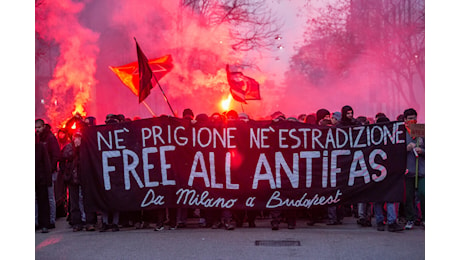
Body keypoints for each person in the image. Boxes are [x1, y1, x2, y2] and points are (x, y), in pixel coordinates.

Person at [373, 116, 404, 232]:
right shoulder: (392, 138)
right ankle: (391, 222)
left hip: (377, 173)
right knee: (389, 197)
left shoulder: (372, 138)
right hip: (387, 172)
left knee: (379, 198)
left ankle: (381, 221)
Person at [36, 119, 60, 229]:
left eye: (39, 127)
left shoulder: (50, 138)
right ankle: (38, 220)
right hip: (39, 174)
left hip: (49, 172)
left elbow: (55, 155)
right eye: (35, 128)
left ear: (43, 126)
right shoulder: (37, 140)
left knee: (50, 197)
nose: (37, 130)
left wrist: (50, 170)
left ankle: (51, 220)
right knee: (39, 198)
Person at [403, 108, 425, 230]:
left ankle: (425, 218)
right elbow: (395, 152)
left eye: (414, 117)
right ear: (405, 119)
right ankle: (410, 218)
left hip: (421, 170)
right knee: (408, 197)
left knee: (423, 194)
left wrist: (422, 150)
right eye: (410, 118)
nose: (413, 120)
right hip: (408, 170)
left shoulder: (422, 130)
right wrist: (405, 149)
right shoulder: (401, 132)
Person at [61, 130, 86, 232]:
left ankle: (87, 220)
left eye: (78, 137)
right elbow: (64, 158)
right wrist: (65, 174)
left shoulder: (85, 147)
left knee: (84, 199)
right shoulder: (68, 148)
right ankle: (76, 222)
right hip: (72, 178)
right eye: (75, 137)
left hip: (83, 177)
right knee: (74, 201)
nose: (76, 139)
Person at [36, 133, 52, 233]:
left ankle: (44, 224)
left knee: (43, 202)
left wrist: (48, 179)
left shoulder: (41, 147)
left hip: (40, 179)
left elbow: (46, 163)